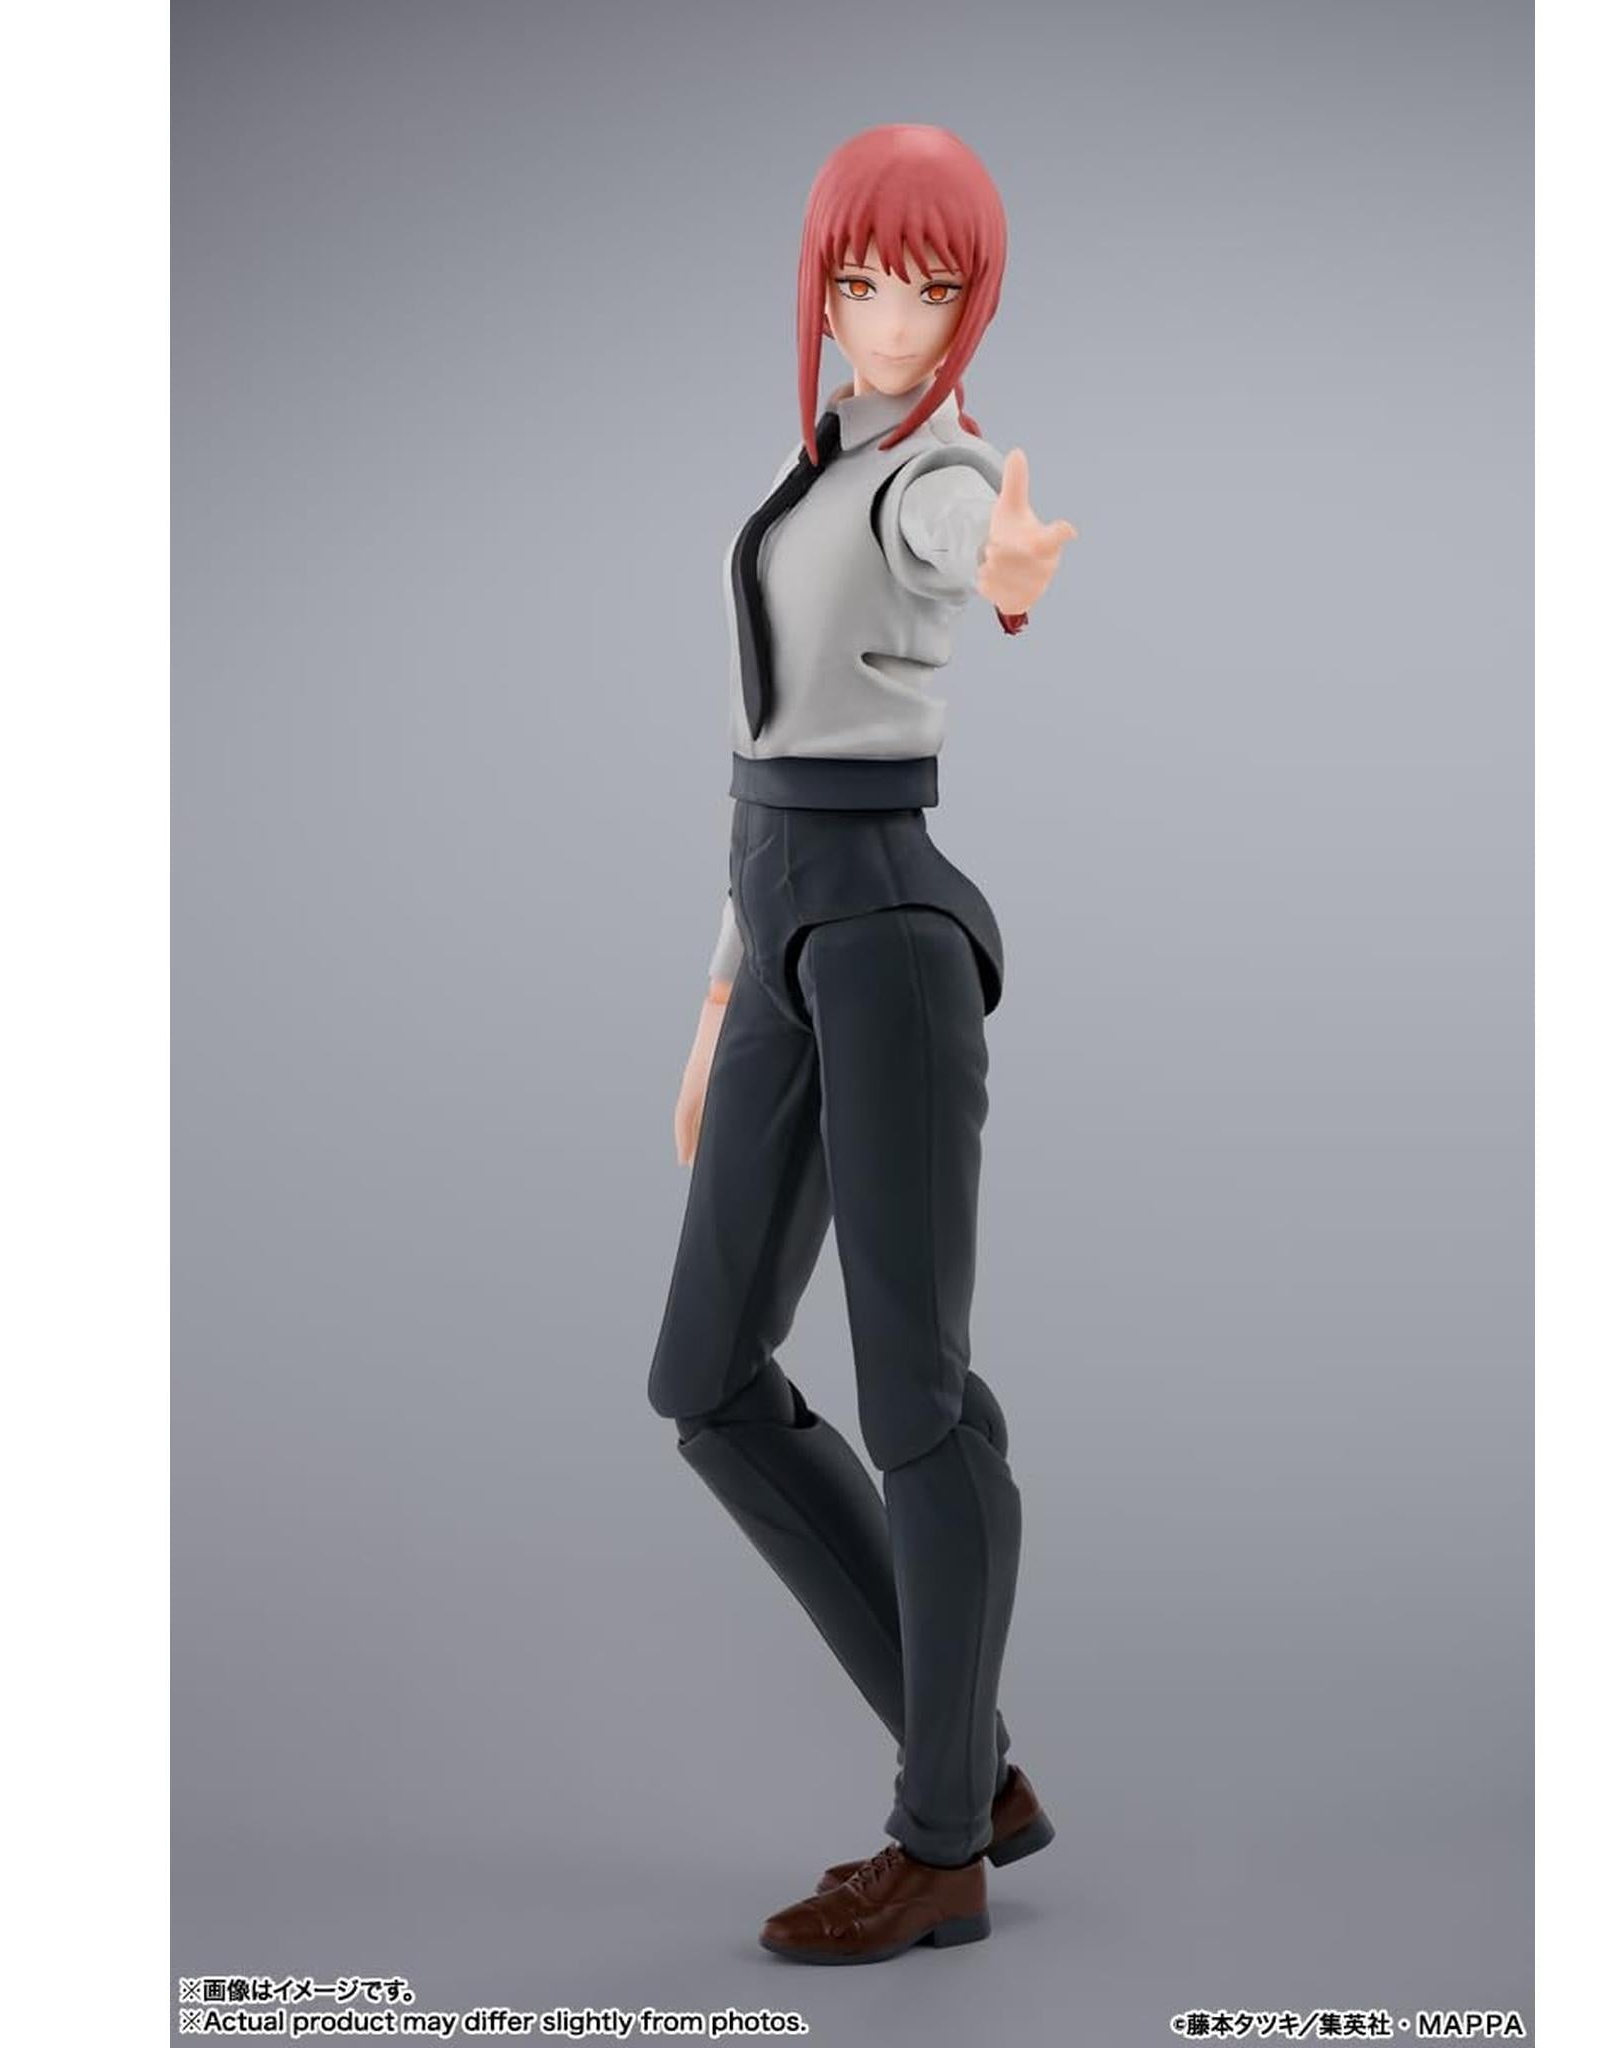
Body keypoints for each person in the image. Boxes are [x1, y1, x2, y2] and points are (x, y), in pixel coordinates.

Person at [646, 123, 1077, 1966]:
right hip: (785, 918)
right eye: (859, 279)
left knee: (916, 1396)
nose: (890, 318)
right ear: (819, 286)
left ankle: (941, 1845)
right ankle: (970, 1759)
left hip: (888, 932)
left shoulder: (935, 472)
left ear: (974, 300)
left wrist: (1010, 565)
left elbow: (965, 542)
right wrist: (719, 995)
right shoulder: (808, 457)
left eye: (930, 285)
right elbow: (757, 756)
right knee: (707, 1378)